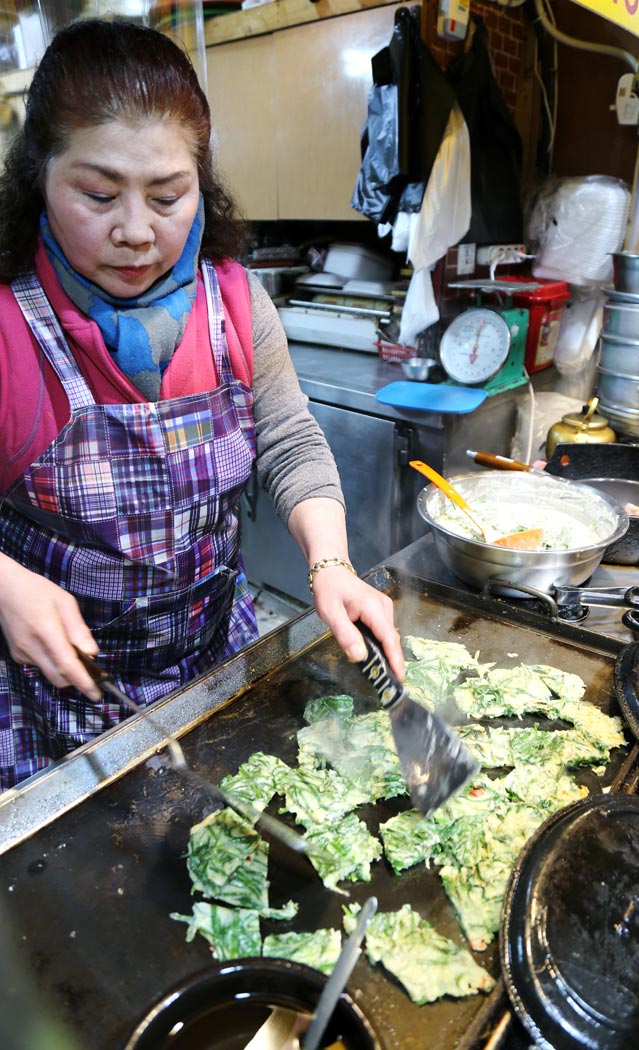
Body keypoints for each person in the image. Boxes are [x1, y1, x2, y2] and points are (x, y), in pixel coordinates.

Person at [0, 17, 404, 791]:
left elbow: (287, 439)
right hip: (58, 709)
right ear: (38, 178)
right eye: (97, 193)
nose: (136, 232)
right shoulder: (9, 326)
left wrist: (331, 562)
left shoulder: (235, 301)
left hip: (217, 672)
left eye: (167, 195)